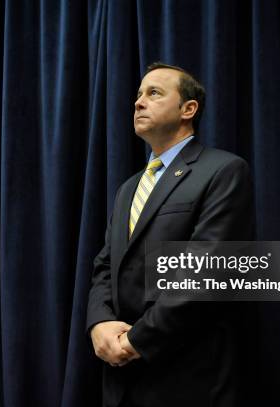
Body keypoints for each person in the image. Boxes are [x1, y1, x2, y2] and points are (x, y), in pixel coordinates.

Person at [86, 62, 254, 407]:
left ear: (188, 109)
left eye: (154, 93)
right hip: (120, 383)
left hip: (187, 377)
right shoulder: (128, 188)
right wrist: (99, 324)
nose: (138, 102)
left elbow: (206, 272)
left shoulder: (223, 170)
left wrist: (135, 340)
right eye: (138, 95)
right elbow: (105, 266)